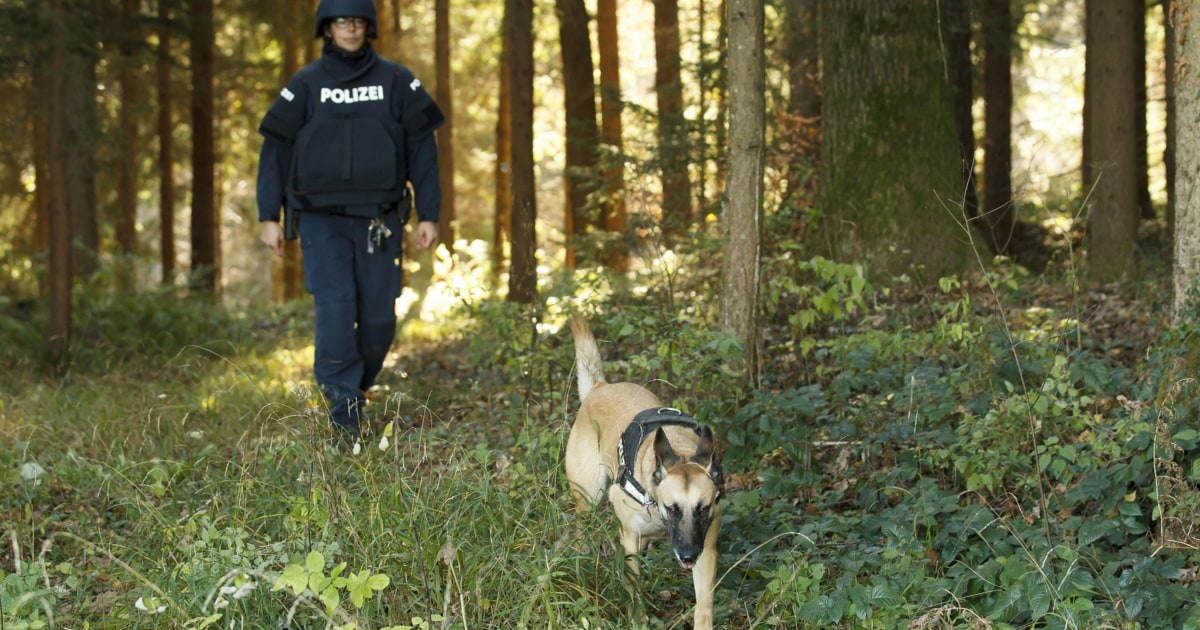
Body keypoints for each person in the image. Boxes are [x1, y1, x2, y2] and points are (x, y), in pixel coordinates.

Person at [255, 0, 444, 450]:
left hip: (380, 218)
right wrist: (268, 216)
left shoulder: (397, 80)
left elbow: (423, 150)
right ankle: (344, 418)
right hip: (320, 220)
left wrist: (430, 213)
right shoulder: (305, 83)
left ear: (368, 27)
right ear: (328, 28)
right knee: (337, 312)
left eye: (358, 21)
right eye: (342, 21)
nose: (351, 30)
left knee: (379, 320)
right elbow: (275, 152)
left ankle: (353, 389)